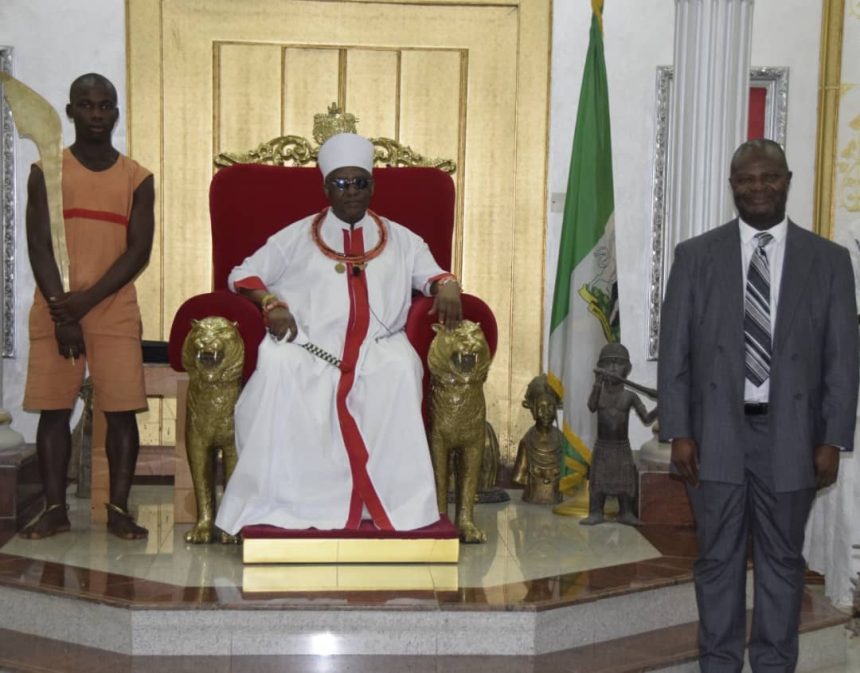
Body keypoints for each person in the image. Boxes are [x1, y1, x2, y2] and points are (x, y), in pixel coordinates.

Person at [658, 139, 858, 672]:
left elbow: (843, 359)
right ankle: (719, 663)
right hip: (714, 437)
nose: (758, 188)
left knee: (783, 563)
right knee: (717, 559)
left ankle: (773, 664)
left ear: (787, 180)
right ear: (733, 186)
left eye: (768, 177)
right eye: (746, 179)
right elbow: (675, 351)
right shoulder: (695, 256)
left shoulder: (829, 261)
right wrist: (678, 429)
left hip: (794, 439)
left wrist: (832, 439)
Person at [214, 132, 462, 534]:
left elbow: (433, 275)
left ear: (372, 186)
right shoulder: (296, 236)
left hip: (379, 350)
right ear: (327, 187)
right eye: (342, 183)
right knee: (276, 362)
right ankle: (290, 500)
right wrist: (270, 304)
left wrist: (449, 285)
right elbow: (243, 273)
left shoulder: (401, 238)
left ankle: (394, 504)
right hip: (308, 347)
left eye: (360, 183)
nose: (352, 192)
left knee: (402, 368)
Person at [21, 73, 154, 540]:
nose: (96, 114)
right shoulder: (47, 172)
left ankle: (118, 509)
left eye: (105, 105)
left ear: (115, 112)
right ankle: (55, 509)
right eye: (87, 105)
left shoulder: (137, 178)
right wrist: (64, 311)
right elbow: (38, 245)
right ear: (71, 110)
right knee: (53, 411)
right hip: (56, 308)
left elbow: (138, 251)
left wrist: (85, 304)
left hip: (112, 308)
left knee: (121, 412)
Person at [581, 343, 656, 526]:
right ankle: (596, 511)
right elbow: (591, 406)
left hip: (622, 447)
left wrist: (661, 408)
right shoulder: (599, 392)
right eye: (608, 363)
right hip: (603, 447)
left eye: (618, 363)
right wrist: (597, 383)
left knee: (625, 482)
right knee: (598, 482)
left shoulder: (630, 397)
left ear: (627, 369)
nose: (613, 368)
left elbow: (646, 419)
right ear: (601, 368)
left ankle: (626, 511)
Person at [512, 374, 563, 505]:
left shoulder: (562, 441)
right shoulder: (526, 443)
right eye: (541, 408)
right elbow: (519, 477)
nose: (546, 413)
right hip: (531, 501)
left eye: (550, 407)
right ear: (533, 410)